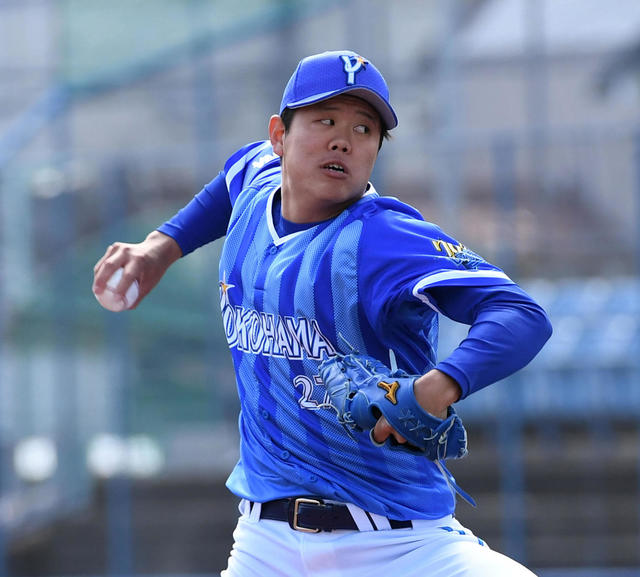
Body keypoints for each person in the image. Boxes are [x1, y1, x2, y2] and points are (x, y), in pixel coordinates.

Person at [93, 50, 552, 576]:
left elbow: (520, 314)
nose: (343, 141)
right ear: (279, 136)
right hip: (265, 547)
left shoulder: (382, 237)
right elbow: (231, 179)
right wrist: (160, 246)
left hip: (400, 548)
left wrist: (439, 385)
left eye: (364, 129)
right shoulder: (256, 181)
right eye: (325, 120)